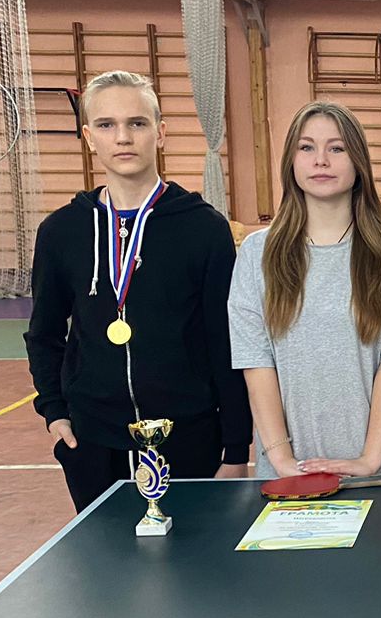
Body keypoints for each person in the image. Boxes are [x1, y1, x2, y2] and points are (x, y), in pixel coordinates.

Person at [24, 69, 250, 512]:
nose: (123, 137)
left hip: (191, 437)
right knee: (105, 555)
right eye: (106, 125)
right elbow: (44, 332)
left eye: (137, 123)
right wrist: (55, 411)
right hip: (92, 440)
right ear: (89, 137)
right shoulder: (61, 232)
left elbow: (225, 340)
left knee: (196, 554)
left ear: (160, 133)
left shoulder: (204, 228)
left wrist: (237, 447)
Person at [229, 102, 381, 481]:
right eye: (307, 147)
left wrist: (369, 460)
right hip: (287, 471)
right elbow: (257, 364)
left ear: (358, 162)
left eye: (336, 148)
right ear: (291, 162)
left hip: (378, 468)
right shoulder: (257, 253)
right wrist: (283, 462)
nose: (321, 160)